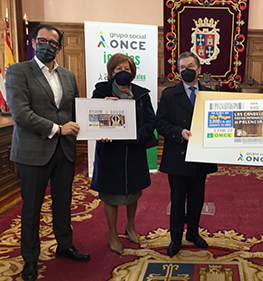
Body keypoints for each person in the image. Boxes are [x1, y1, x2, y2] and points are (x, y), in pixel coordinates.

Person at [5, 24, 90, 281]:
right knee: (32, 207)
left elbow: (76, 111)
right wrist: (57, 128)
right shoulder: (18, 71)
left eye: (53, 43)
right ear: (33, 42)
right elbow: (20, 114)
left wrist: (101, 112)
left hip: (64, 152)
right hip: (33, 152)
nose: (47, 46)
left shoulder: (68, 76)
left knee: (63, 204)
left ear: (60, 47)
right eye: (42, 40)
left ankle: (64, 246)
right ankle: (30, 259)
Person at [90, 53, 155, 254]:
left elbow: (151, 120)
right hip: (110, 151)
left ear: (133, 72)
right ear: (111, 72)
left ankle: (130, 225)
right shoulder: (101, 91)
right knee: (110, 194)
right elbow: (92, 117)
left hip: (134, 149)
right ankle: (112, 233)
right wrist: (104, 108)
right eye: (119, 69)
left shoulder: (142, 94)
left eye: (127, 69)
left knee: (133, 191)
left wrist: (138, 136)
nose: (123, 73)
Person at [156, 51, 218, 256]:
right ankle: (175, 238)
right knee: (177, 200)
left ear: (199, 69)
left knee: (197, 198)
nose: (187, 71)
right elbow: (161, 124)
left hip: (201, 156)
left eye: (190, 66)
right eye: (182, 68)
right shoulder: (168, 95)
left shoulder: (210, 94)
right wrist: (179, 132)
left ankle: (192, 232)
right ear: (178, 71)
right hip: (178, 155)